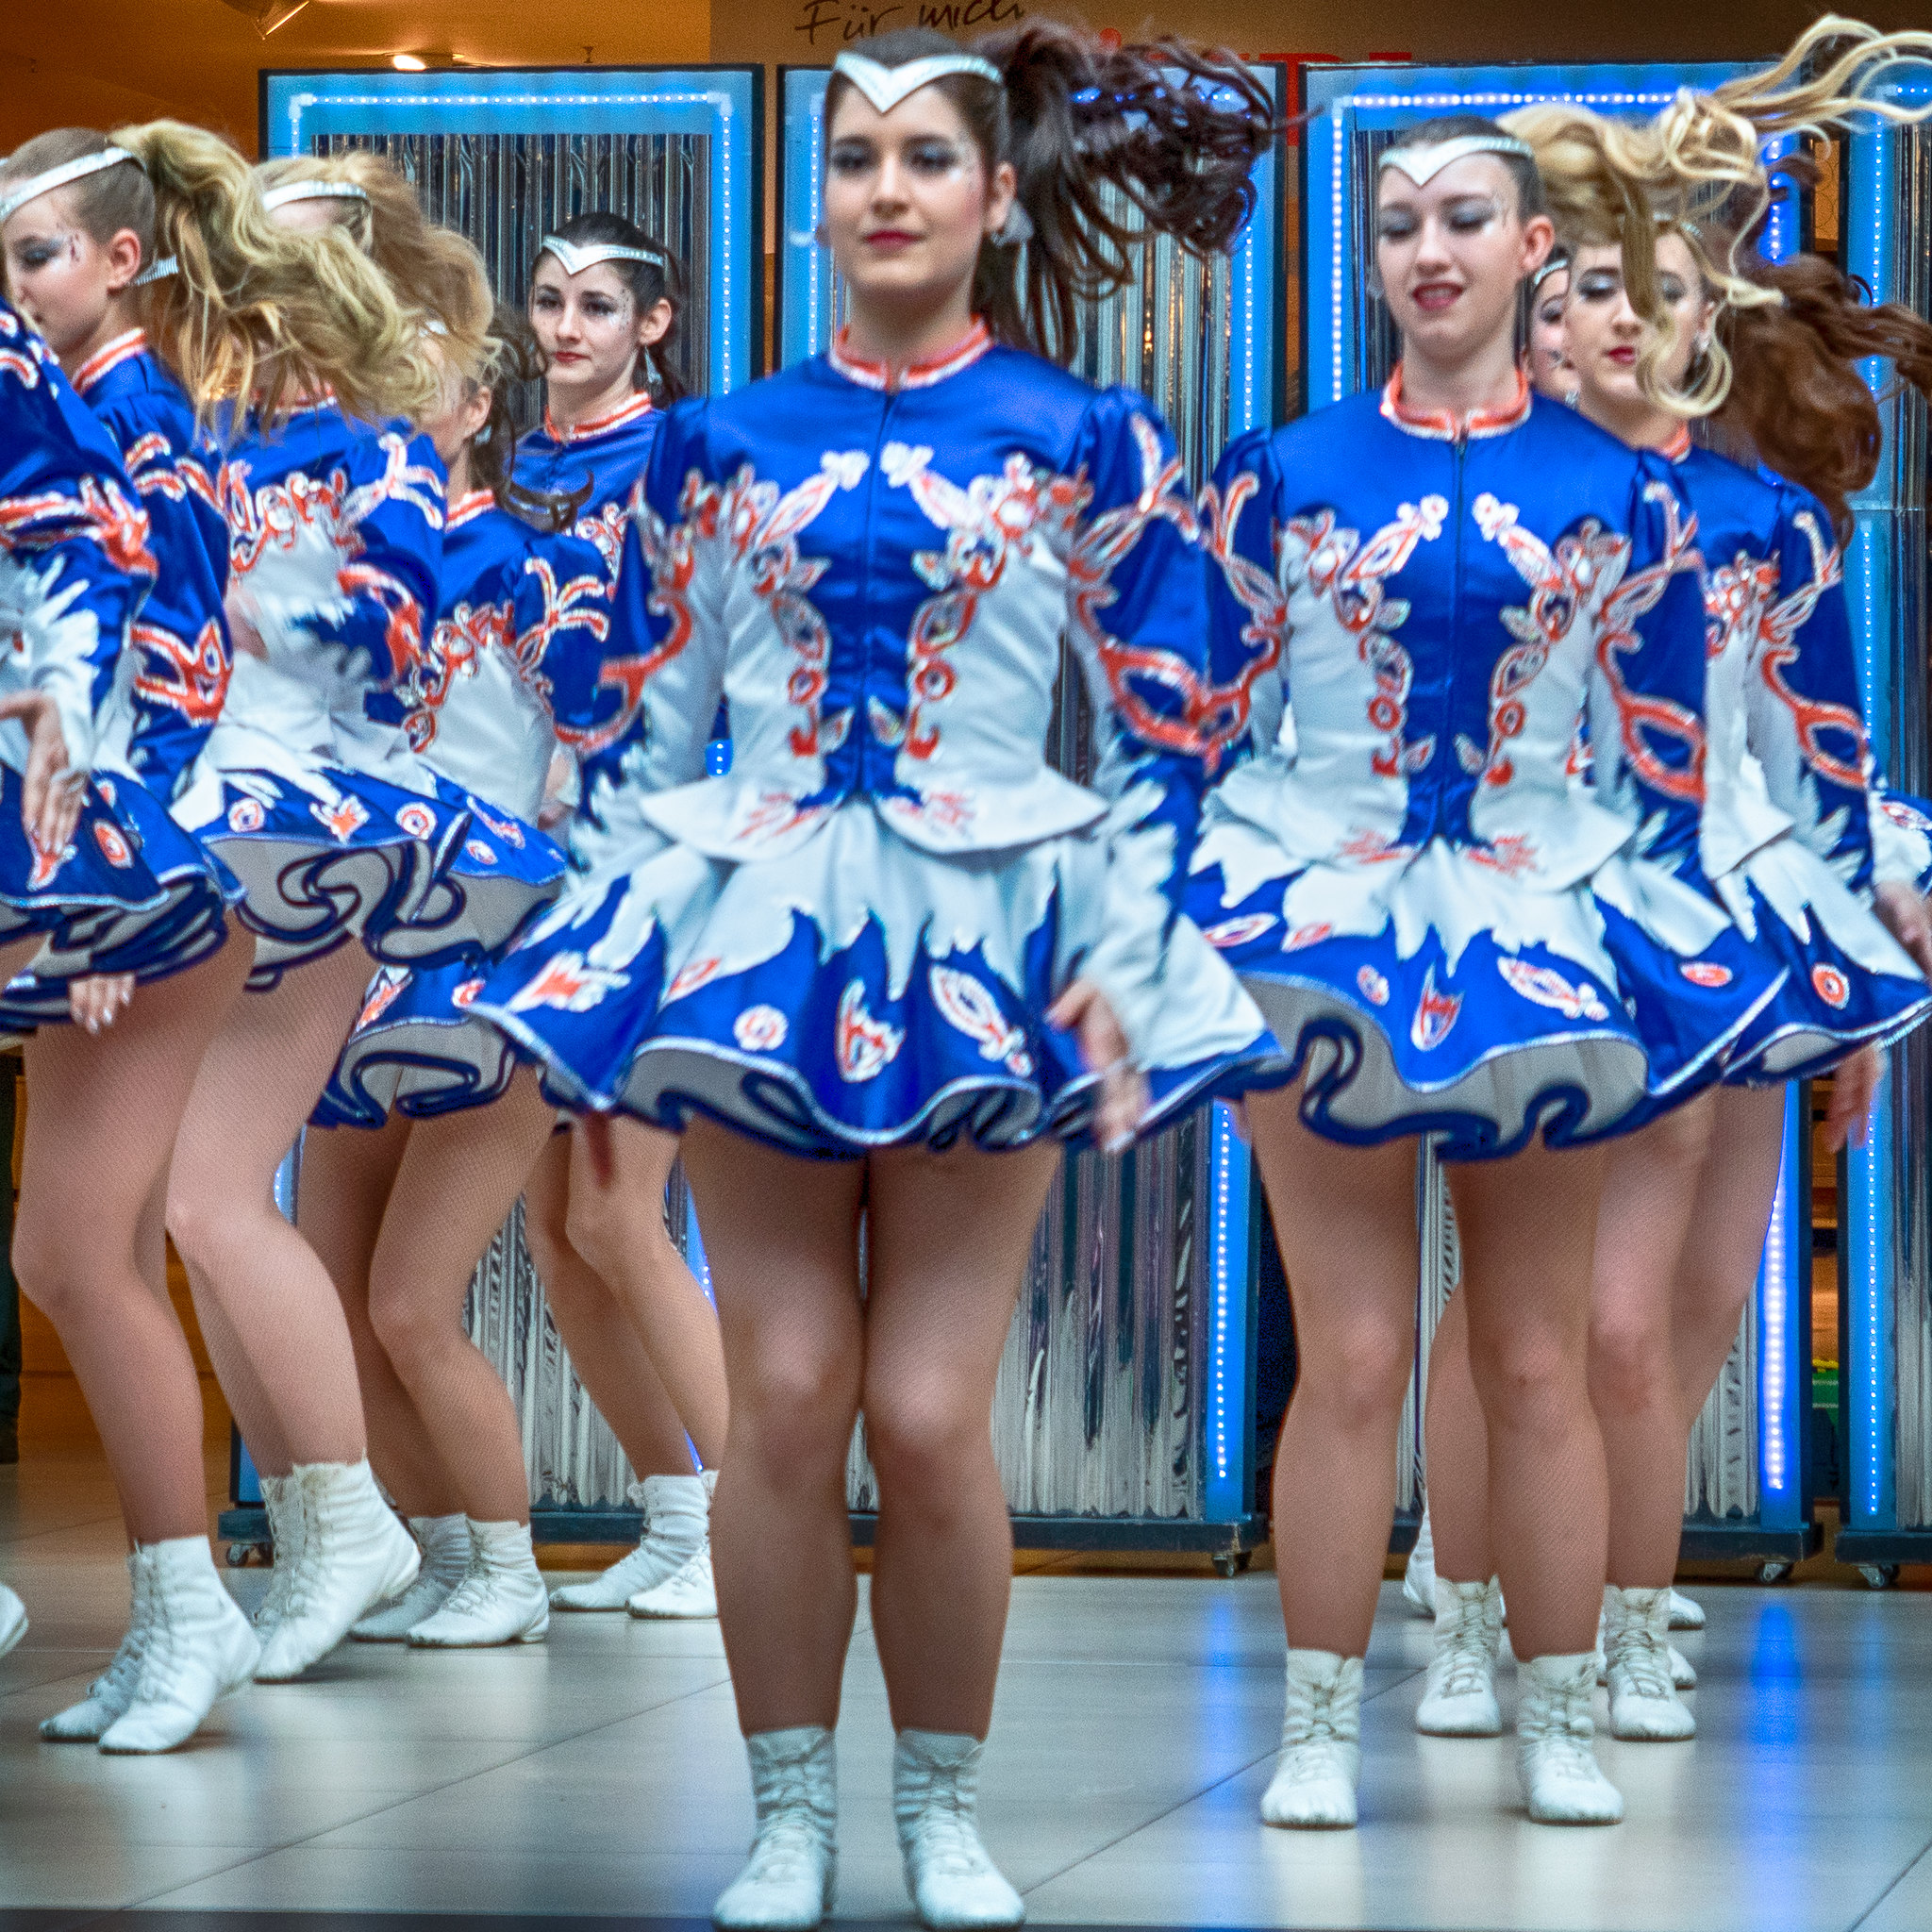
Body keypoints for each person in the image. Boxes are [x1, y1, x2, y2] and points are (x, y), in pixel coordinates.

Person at [467, 25, 1280, 1927]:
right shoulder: (716, 437)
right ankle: (784, 1812)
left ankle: (943, 1803)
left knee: (924, 1410)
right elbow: (652, 720)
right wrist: (603, 940)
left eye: (927, 158)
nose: (887, 190)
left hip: (993, 920)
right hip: (762, 920)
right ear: (813, 202)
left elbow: (1173, 715)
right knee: (791, 1387)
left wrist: (1140, 942)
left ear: (995, 197)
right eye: (855, 161)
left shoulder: (1087, 433)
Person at [1191, 103, 1815, 1826]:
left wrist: (1690, 953)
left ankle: (1556, 1707)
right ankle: (1318, 1722)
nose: (1430, 249)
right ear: (1376, 253)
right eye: (1399, 223)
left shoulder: (1623, 491)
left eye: (1468, 217)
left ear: (1531, 246)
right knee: (1360, 1359)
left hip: (1543, 944)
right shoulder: (1281, 467)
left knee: (1536, 1357)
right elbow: (1198, 729)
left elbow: (1670, 750)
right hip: (1320, 940)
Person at [1415, 23, 1932, 1751]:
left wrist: (1857, 977)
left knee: (1684, 1309)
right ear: (1538, 315)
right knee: (1545, 1313)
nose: (1617, 320)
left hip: (1740, 937)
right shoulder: (1479, 505)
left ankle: (1618, 1577)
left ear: (1714, 321)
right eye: (1583, 293)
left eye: (1660, 291)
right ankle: (1482, 1594)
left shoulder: (1765, 519)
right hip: (1538, 933)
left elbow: (1822, 758)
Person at [0, 121, 418, 1751]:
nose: (16, 287)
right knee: (76, 1247)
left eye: (37, 256)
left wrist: (104, 871)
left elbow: (172, 660)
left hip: (145, 873)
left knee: (113, 1240)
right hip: (98, 852)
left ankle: (204, 1597)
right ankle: (196, 1598)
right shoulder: (84, 410)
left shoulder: (139, 430)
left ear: (122, 260)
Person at [299, 303, 704, 1645]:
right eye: (379, 391)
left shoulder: (528, 565)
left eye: (426, 395)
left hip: (502, 940)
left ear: (481, 416)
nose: (396, 415)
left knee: (462, 1278)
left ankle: (533, 1561)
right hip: (360, 938)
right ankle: (435, 1550)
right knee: (360, 1296)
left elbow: (621, 717)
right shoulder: (355, 572)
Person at [158, 153, 499, 1689]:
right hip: (192, 834)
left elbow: (395, 650)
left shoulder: (383, 454)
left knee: (218, 1201)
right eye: (244, 257)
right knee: (188, 1211)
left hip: (311, 835)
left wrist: (229, 612)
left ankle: (350, 1519)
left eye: (289, 258)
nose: (259, 286)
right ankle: (315, 1525)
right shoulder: (209, 435)